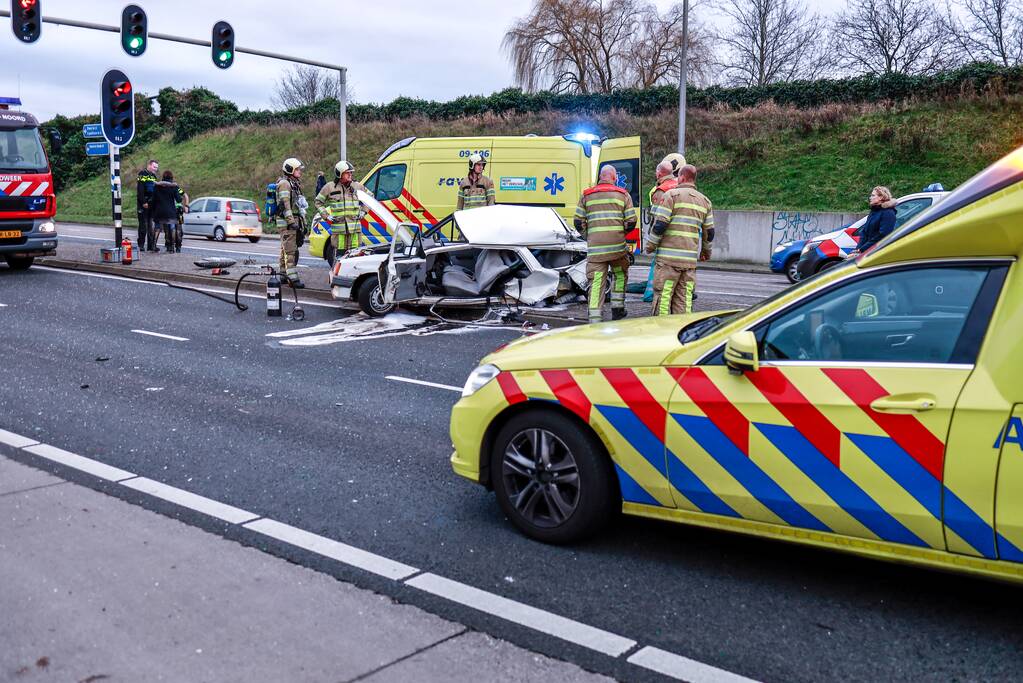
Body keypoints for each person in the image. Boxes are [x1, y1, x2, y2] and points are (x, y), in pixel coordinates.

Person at [646, 164, 714, 316]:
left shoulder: (671, 196)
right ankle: (682, 334)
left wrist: (650, 245)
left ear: (681, 178)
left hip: (669, 263)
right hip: (689, 263)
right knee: (684, 301)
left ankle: (662, 332)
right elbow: (710, 232)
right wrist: (705, 252)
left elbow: (660, 225)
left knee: (664, 298)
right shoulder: (705, 201)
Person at [575, 164, 637, 323]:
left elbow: (578, 221)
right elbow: (631, 221)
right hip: (617, 250)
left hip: (596, 250)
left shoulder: (587, 195)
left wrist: (589, 235)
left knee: (596, 282)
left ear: (600, 177)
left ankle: (595, 318)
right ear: (614, 177)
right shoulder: (623, 194)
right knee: (620, 274)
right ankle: (617, 310)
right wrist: (620, 234)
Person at [643, 154, 685, 302]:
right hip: (682, 238)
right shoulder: (681, 186)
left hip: (666, 238)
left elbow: (658, 220)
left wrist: (652, 242)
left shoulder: (661, 190)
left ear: (659, 173)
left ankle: (651, 295)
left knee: (662, 270)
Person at [315, 160, 367, 260]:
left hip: (354, 230)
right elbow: (318, 202)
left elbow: (370, 197)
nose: (350, 174)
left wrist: (363, 211)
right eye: (347, 173)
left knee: (355, 257)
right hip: (339, 231)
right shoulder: (329, 187)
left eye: (351, 172)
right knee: (340, 257)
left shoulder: (357, 186)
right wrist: (326, 215)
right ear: (340, 173)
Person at [276, 157, 306, 289]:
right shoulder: (285, 184)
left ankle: (283, 275)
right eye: (297, 169)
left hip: (293, 220)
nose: (300, 172)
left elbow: (298, 205)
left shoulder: (293, 183)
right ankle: (292, 279)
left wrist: (302, 222)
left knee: (285, 249)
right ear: (290, 170)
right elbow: (286, 204)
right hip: (287, 222)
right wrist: (291, 222)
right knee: (290, 251)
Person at [852, 186, 897, 254]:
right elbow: (864, 232)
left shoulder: (888, 213)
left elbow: (883, 235)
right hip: (867, 251)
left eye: (873, 195)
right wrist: (858, 249)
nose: (870, 198)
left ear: (881, 197)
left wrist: (862, 249)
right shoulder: (874, 211)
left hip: (878, 252)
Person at [151, 171, 185, 253]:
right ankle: (172, 247)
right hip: (170, 212)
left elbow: (153, 199)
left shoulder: (157, 186)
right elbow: (179, 199)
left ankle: (154, 245)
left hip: (159, 211)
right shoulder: (174, 187)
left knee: (157, 228)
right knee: (172, 228)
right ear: (171, 178)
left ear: (163, 177)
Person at [136, 159, 158, 252]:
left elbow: (155, 190)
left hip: (152, 204)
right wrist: (144, 202)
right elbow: (140, 190)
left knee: (151, 226)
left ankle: (151, 246)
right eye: (154, 167)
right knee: (143, 226)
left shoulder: (153, 176)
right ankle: (141, 245)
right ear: (149, 165)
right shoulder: (142, 174)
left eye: (157, 167)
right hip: (143, 204)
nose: (155, 169)